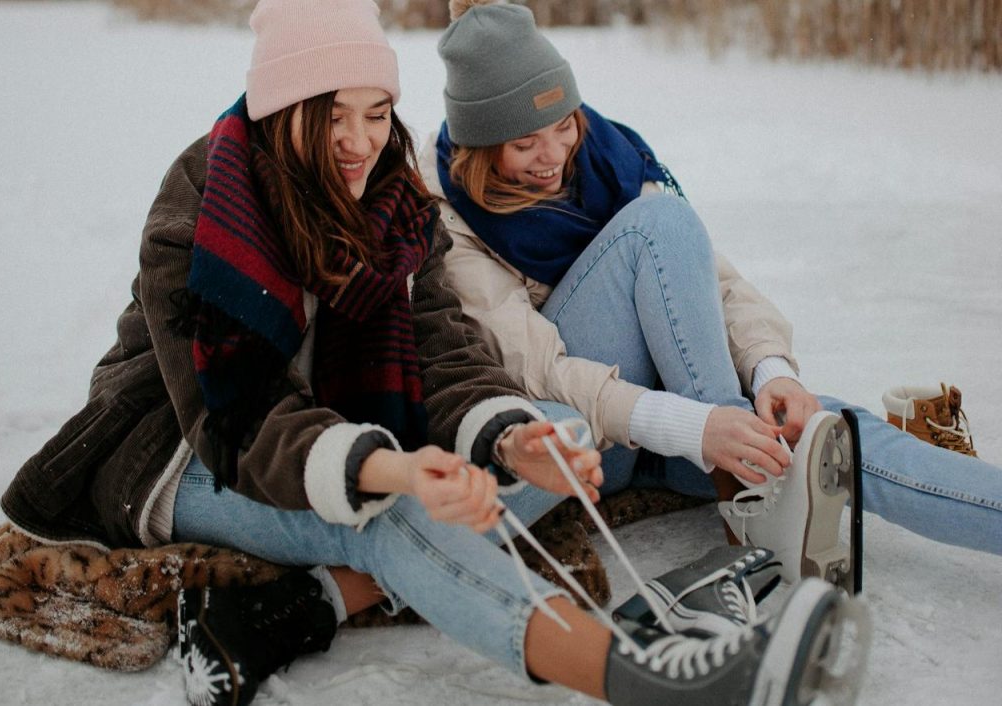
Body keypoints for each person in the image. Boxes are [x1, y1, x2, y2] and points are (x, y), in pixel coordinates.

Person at [0, 2, 868, 706]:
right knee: (397, 514)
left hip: (331, 418)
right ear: (279, 115)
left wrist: (511, 438)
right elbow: (244, 416)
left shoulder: (390, 198)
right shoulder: (201, 214)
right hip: (185, 449)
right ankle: (647, 677)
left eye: (376, 114)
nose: (359, 140)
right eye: (329, 116)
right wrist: (397, 472)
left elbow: (444, 350)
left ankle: (306, 603)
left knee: (553, 428)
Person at [423, 0, 1002, 571]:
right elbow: (534, 367)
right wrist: (701, 425)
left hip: (683, 417)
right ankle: (744, 486)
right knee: (657, 229)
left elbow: (706, 280)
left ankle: (756, 475)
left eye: (563, 125)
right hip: (593, 437)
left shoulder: (606, 158)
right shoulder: (447, 210)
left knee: (827, 433)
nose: (554, 156)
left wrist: (772, 371)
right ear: (480, 148)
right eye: (525, 145)